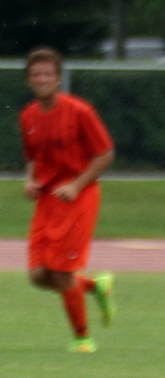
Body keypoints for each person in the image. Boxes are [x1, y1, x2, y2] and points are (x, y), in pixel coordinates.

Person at [21, 46, 116, 353]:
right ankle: (95, 286)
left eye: (48, 73)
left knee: (62, 273)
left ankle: (83, 339)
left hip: (79, 197)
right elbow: (34, 156)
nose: (42, 79)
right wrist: (30, 180)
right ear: (28, 80)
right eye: (36, 74)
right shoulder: (28, 116)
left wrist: (76, 185)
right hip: (48, 201)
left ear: (59, 78)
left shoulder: (80, 111)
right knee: (38, 276)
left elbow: (105, 154)